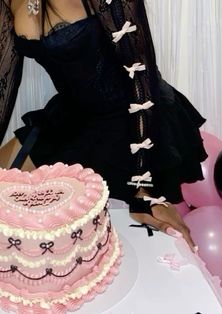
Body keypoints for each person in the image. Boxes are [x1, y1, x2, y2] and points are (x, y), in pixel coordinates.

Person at [0, 0, 207, 252]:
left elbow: (141, 79)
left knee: (109, 238)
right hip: (72, 116)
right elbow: (3, 82)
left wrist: (142, 187)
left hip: (131, 117)